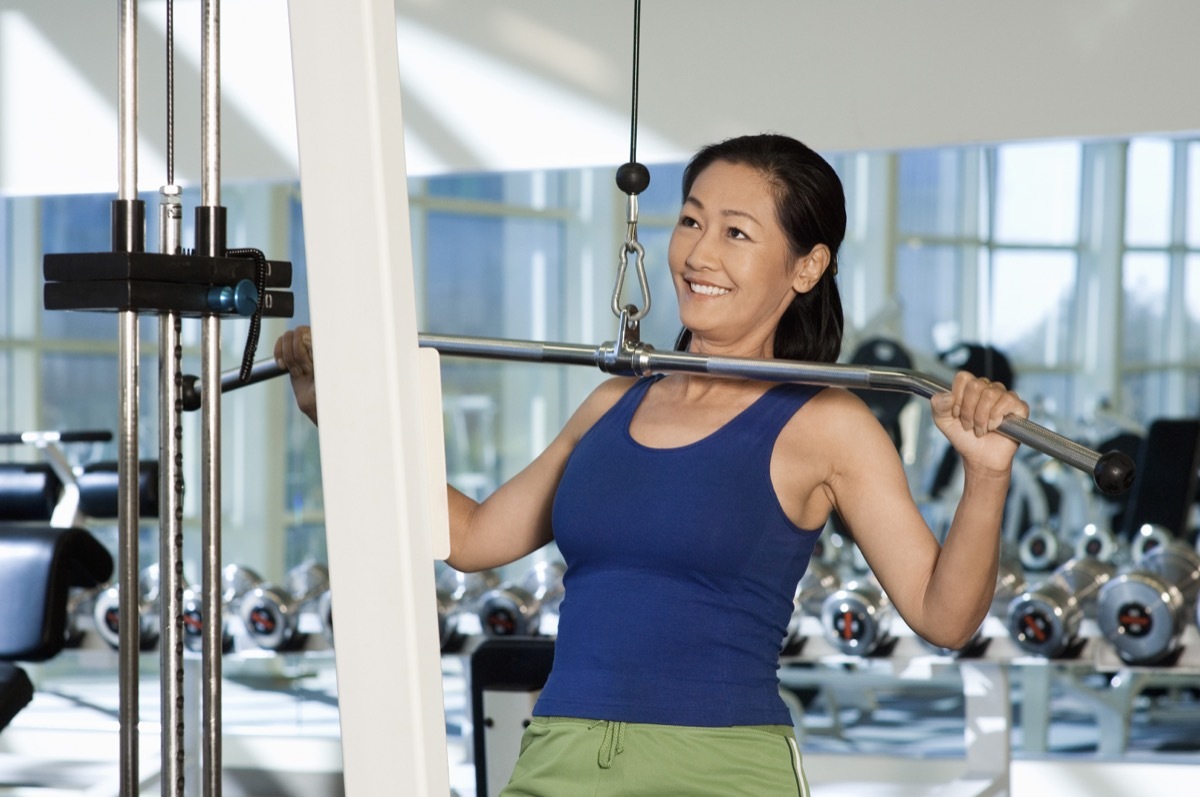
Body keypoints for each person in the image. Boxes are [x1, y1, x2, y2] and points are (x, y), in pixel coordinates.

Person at [275, 133, 1028, 796]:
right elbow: (470, 537)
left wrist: (987, 475)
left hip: (720, 766)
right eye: (692, 219)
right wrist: (339, 415)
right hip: (559, 753)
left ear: (807, 266)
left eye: (737, 232)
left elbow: (944, 616)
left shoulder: (828, 422)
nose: (699, 253)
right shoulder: (614, 402)